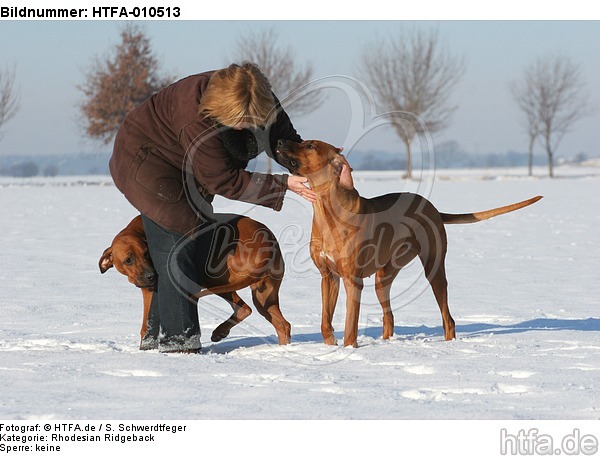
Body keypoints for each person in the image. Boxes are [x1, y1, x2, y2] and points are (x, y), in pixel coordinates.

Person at [109, 62, 315, 353]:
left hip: (192, 163)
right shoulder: (193, 116)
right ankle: (179, 342)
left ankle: (153, 333)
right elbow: (223, 180)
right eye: (238, 121)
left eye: (252, 121)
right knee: (177, 236)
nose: (245, 127)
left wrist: (320, 169)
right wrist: (282, 184)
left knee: (188, 232)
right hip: (147, 162)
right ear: (220, 108)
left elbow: (286, 142)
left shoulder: (256, 94)